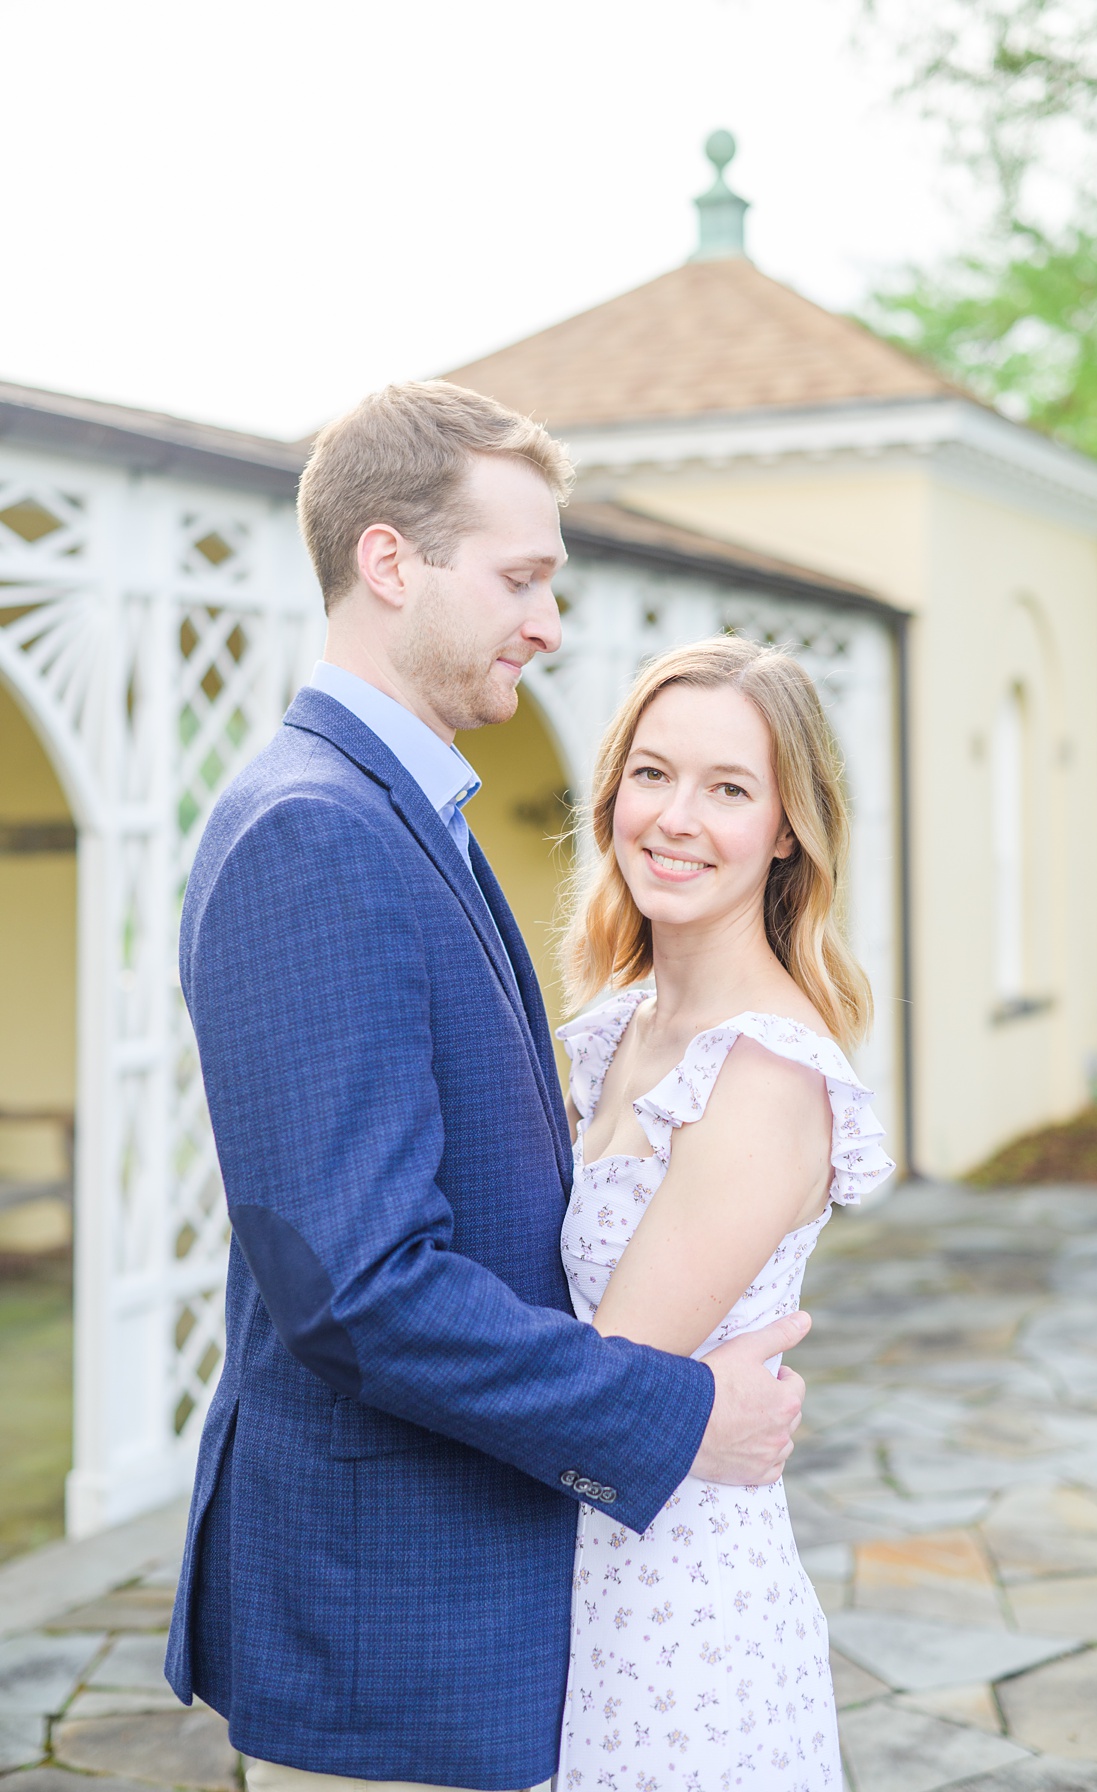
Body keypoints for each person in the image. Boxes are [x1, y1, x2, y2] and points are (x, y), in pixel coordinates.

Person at [169, 383, 813, 1792]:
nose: (549, 624)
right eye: (523, 578)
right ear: (392, 563)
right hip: (392, 1631)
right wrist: (678, 1418)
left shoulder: (405, 815)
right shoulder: (315, 835)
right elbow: (363, 1286)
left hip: (485, 1614)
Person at [552, 636, 892, 1788]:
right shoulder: (615, 1030)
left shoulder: (764, 1076)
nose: (675, 817)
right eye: (652, 773)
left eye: (729, 788)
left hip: (680, 1632)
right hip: (572, 1585)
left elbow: (597, 1384)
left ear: (788, 827)